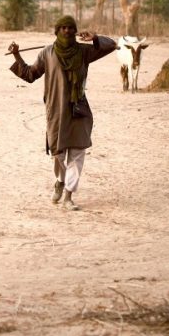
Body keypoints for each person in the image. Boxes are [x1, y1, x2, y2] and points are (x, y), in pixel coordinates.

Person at [8, 15, 117, 211]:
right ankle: (60, 180)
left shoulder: (84, 52)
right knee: (58, 155)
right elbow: (30, 74)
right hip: (56, 112)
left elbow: (111, 46)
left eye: (70, 28)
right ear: (57, 31)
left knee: (77, 155)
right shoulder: (47, 53)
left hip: (79, 111)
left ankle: (68, 196)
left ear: (75, 32)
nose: (67, 31)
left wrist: (95, 38)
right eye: (63, 28)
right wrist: (16, 55)